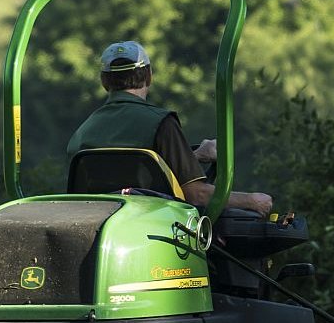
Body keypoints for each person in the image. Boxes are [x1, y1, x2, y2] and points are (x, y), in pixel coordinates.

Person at [67, 41, 274, 215]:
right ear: (149, 76)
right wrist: (252, 200)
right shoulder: (161, 122)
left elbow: (127, 174)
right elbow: (196, 194)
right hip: (154, 231)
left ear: (104, 81)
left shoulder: (82, 132)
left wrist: (195, 155)